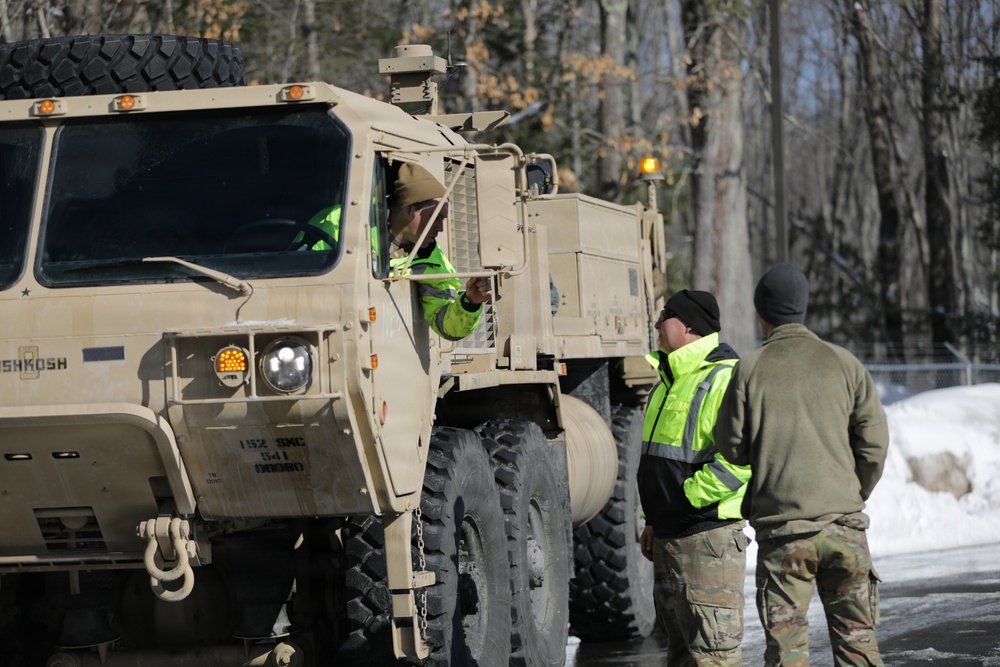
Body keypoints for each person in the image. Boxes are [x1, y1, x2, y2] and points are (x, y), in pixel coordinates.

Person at [713, 262, 890, 667]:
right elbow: (874, 443)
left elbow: (730, 446)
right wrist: (850, 492)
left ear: (761, 314)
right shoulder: (845, 364)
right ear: (804, 308)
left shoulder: (749, 370)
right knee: (858, 645)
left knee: (787, 653)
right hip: (844, 529)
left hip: (784, 535)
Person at [637, 289, 750, 666]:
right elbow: (661, 461)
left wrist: (686, 498)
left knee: (714, 657)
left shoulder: (726, 378)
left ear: (688, 325)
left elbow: (740, 461)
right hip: (670, 538)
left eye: (664, 315)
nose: (656, 324)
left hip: (707, 540)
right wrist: (654, 518)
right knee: (682, 654)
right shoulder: (668, 382)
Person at [386, 162, 492, 341]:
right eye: (435, 217)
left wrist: (470, 303)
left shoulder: (433, 261)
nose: (441, 228)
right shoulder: (343, 230)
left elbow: (445, 323)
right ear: (409, 209)